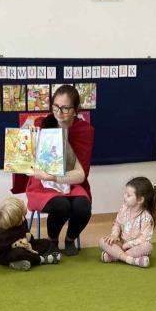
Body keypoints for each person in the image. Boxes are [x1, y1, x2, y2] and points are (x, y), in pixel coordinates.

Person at [11, 85, 95, 257]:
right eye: (56, 106)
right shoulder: (41, 124)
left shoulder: (84, 130)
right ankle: (53, 240)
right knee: (61, 205)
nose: (59, 112)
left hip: (70, 182)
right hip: (41, 184)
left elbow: (80, 174)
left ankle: (70, 239)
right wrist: (28, 136)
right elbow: (20, 156)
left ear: (75, 110)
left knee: (83, 207)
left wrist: (54, 176)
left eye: (65, 108)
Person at [98, 177, 156, 268]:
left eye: (128, 195)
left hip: (135, 248)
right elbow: (117, 223)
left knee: (148, 247)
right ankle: (132, 260)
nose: (124, 196)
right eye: (125, 193)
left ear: (140, 200)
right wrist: (114, 235)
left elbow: (143, 239)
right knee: (102, 241)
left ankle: (115, 256)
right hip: (121, 244)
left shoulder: (146, 218)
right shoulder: (124, 208)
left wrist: (128, 245)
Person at [0, 197, 61, 271]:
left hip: (24, 246)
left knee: (46, 243)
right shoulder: (3, 235)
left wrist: (28, 238)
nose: (23, 219)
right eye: (20, 219)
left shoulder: (22, 221)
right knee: (19, 253)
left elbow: (25, 236)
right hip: (7, 255)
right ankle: (41, 259)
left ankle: (22, 261)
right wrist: (12, 245)